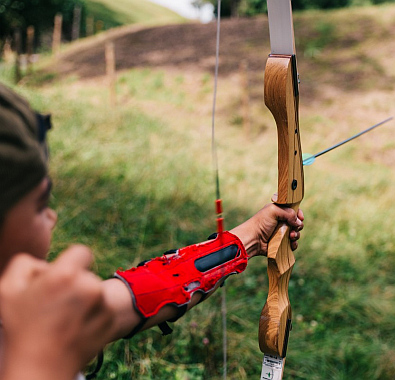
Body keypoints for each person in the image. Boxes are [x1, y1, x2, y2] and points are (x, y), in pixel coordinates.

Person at [0, 83, 304, 380]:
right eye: (40, 204)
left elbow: (145, 293)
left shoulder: (31, 303)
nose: (52, 216)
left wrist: (248, 238)